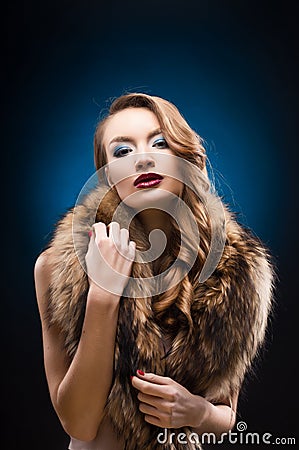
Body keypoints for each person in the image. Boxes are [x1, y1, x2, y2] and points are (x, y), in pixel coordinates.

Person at [34, 92, 275, 450]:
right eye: (122, 151)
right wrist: (103, 296)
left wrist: (196, 413)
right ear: (106, 177)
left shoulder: (234, 271)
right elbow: (79, 424)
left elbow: (226, 415)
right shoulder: (59, 266)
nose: (143, 158)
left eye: (159, 143)